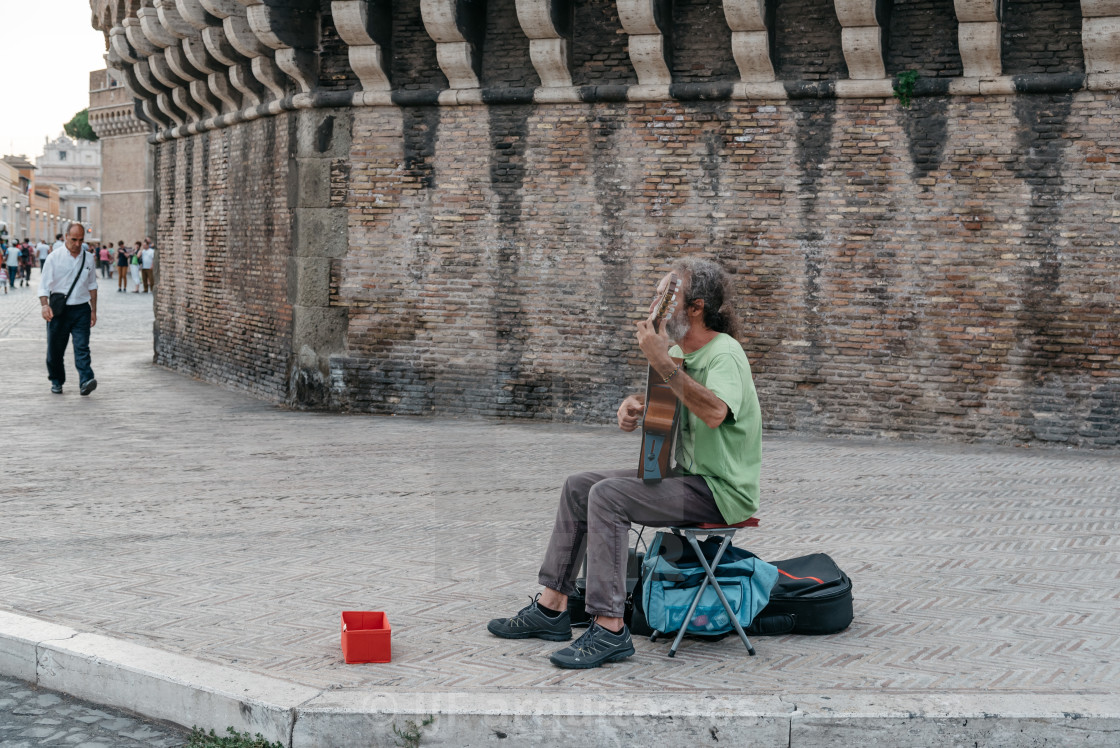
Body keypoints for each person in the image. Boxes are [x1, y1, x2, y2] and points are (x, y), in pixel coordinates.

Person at [487, 258, 763, 669]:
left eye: (667, 296)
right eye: (657, 294)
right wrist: (637, 406)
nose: (655, 304)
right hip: (686, 478)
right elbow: (672, 411)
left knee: (609, 496)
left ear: (695, 307)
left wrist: (663, 364)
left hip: (720, 491)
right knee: (579, 485)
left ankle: (610, 628)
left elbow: (715, 412)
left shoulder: (725, 354)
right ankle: (551, 608)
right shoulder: (675, 352)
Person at [39, 224, 98, 396]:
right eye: (74, 239)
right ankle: (57, 380)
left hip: (81, 310)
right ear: (66, 236)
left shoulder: (88, 258)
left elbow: (92, 285)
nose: (77, 244)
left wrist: (93, 310)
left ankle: (86, 380)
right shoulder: (54, 258)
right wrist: (44, 305)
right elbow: (44, 286)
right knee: (55, 349)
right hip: (59, 311)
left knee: (82, 347)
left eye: (81, 240)